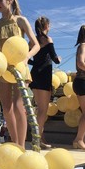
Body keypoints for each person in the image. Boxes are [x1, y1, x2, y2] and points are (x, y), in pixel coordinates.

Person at [0, 0, 40, 147]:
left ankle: (21, 146)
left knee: (18, 106)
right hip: (2, 69)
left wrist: (26, 59)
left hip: (19, 68)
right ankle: (15, 143)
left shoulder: (21, 21)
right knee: (6, 108)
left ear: (10, 1)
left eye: (0, 0)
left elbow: (35, 45)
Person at [29, 16, 61, 149]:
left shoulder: (32, 41)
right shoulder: (47, 40)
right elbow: (55, 59)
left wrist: (36, 63)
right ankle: (37, 139)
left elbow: (29, 59)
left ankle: (40, 136)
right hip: (44, 76)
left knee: (38, 109)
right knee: (43, 110)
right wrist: (58, 58)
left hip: (34, 75)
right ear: (46, 26)